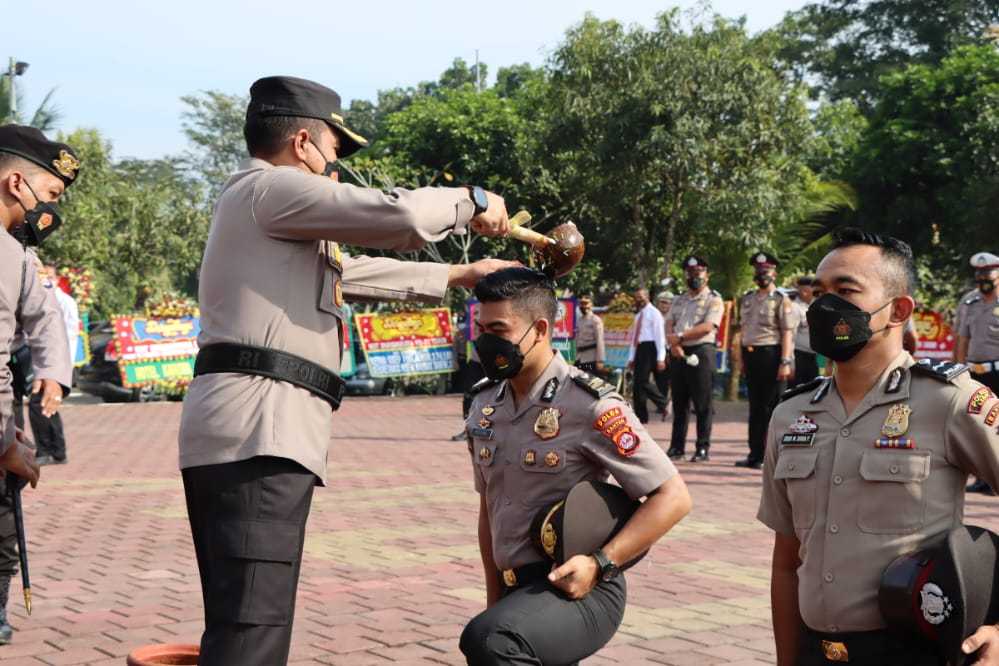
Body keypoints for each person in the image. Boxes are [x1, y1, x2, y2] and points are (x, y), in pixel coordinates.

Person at [177, 76, 517, 666]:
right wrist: (473, 200)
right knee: (252, 631)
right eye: (334, 151)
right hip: (260, 430)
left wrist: (459, 276)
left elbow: (349, 273)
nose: (335, 168)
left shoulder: (268, 210)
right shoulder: (273, 187)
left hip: (252, 428)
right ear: (304, 142)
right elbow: (404, 214)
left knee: (243, 622)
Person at [758, 228, 999, 666]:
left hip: (918, 651)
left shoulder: (950, 400)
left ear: (897, 310)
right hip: (818, 651)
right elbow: (785, 564)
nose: (823, 305)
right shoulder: (790, 416)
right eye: (819, 290)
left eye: (845, 290)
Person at [459, 267, 692, 666]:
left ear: (540, 329)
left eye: (499, 329)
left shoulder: (589, 404)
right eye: (482, 329)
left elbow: (673, 497)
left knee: (492, 640)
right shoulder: (484, 405)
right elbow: (490, 511)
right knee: (493, 633)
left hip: (585, 586)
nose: (487, 342)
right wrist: (494, 599)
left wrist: (599, 563)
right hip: (521, 592)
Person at [0, 124, 76, 644]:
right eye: (48, 195)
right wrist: (4, 440)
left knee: (4, 528)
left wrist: (53, 371)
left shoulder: (14, 253)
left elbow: (44, 315)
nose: (49, 211)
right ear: (14, 184)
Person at [733, 253, 796, 469]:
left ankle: (773, 457)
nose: (761, 275)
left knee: (773, 408)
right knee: (755, 408)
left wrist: (785, 361)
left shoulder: (781, 299)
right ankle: (755, 455)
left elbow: (787, 332)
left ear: (774, 273)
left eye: (765, 271)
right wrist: (741, 359)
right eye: (758, 271)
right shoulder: (748, 298)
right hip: (751, 356)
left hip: (772, 355)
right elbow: (743, 330)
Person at [10, 263, 76, 466]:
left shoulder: (61, 300)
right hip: (32, 355)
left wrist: (55, 368)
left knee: (41, 405)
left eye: (50, 275)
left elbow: (57, 329)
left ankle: (53, 450)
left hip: (44, 359)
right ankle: (49, 450)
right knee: (26, 406)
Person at [664, 256, 723, 462]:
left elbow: (708, 327)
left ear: (706, 275)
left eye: (698, 273)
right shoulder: (679, 299)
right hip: (678, 353)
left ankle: (702, 448)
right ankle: (676, 447)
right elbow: (669, 322)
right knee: (680, 403)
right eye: (690, 274)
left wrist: (679, 338)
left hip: (701, 352)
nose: (694, 277)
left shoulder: (713, 299)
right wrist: (674, 345)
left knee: (702, 404)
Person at [956, 252, 999, 495]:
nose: (982, 277)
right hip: (975, 375)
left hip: (998, 373)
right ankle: (981, 478)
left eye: (988, 273)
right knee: (977, 424)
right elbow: (961, 339)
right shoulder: (969, 302)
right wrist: (959, 371)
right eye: (979, 274)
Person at [626, 289, 668, 423]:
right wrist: (631, 357)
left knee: (643, 382)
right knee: (637, 386)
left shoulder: (654, 313)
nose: (639, 299)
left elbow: (660, 336)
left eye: (642, 296)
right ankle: (641, 417)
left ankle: (664, 403)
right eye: (637, 297)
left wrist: (661, 358)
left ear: (648, 297)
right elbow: (634, 338)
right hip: (640, 349)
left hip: (651, 347)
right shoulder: (638, 315)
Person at [789, 275, 819, 388]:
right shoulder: (795, 307)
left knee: (812, 388)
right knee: (798, 389)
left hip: (812, 355)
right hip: (798, 356)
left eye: (807, 291)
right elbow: (790, 335)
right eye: (801, 291)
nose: (804, 294)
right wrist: (790, 362)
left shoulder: (816, 305)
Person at [574, 295, 605, 375]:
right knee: (577, 382)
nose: (583, 306)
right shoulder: (579, 320)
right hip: (580, 358)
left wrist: (600, 360)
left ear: (591, 305)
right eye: (581, 304)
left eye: (586, 303)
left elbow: (600, 341)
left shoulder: (595, 320)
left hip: (591, 358)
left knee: (589, 383)